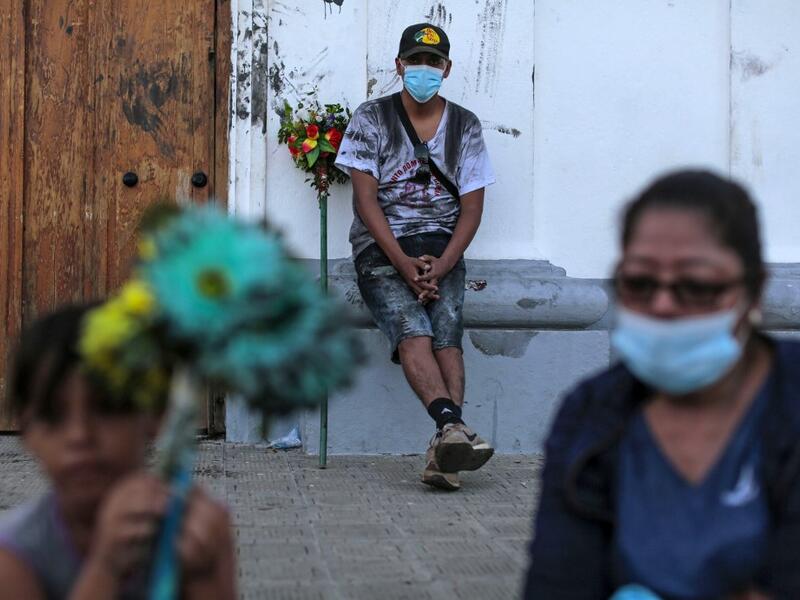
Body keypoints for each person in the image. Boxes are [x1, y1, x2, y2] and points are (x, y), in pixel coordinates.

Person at [524, 170, 800, 599]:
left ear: (754, 291)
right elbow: (558, 581)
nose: (663, 305)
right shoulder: (591, 413)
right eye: (639, 283)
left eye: (698, 285)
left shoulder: (789, 401)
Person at [335, 23, 496, 491]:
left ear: (446, 69)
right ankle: (453, 429)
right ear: (399, 66)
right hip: (382, 245)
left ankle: (446, 448)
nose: (423, 70)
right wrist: (403, 265)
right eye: (415, 61)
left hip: (442, 246)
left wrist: (443, 264)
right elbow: (365, 201)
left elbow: (472, 205)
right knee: (413, 329)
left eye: (433, 62)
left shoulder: (465, 125)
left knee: (447, 336)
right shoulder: (371, 117)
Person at [0, 305, 236, 599]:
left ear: (153, 413)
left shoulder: (197, 535)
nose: (80, 435)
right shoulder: (15, 555)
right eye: (53, 415)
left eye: (106, 407)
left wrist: (204, 577)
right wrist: (106, 568)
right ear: (26, 430)